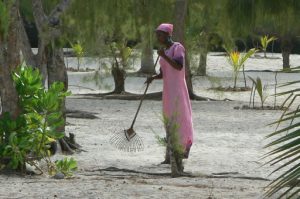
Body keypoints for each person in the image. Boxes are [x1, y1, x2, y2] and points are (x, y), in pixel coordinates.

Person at [146, 23, 194, 176]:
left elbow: (178, 66)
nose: (157, 37)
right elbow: (164, 72)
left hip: (178, 90)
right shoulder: (164, 51)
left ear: (168, 35)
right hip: (168, 91)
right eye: (157, 35)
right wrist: (154, 77)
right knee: (169, 120)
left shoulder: (177, 48)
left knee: (180, 119)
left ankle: (182, 151)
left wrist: (164, 56)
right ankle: (170, 156)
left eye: (160, 34)